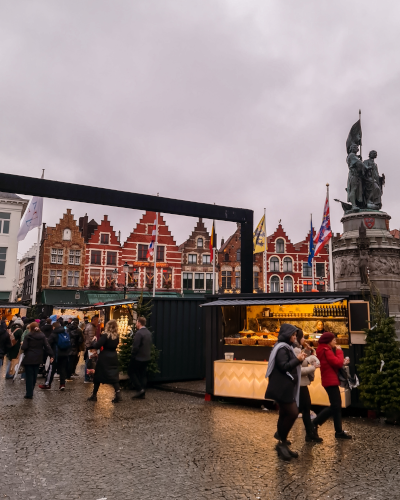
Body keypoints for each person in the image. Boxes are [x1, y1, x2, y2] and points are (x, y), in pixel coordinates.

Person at [265, 324, 307, 461]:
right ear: (287, 335)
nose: (295, 337)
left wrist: (297, 359)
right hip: (282, 387)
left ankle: (283, 444)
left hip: (285, 387)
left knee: (284, 413)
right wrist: (298, 360)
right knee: (293, 412)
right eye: (293, 335)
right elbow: (283, 366)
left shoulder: (284, 347)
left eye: (296, 335)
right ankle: (281, 443)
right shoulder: (282, 349)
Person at [312, 332, 352, 440]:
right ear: (329, 341)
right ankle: (315, 423)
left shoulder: (324, 349)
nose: (336, 341)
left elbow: (334, 363)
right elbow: (337, 363)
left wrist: (341, 361)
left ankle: (338, 431)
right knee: (335, 406)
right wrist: (339, 351)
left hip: (330, 379)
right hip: (330, 380)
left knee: (336, 406)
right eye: (334, 340)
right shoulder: (326, 350)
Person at [293, 330, 322, 443]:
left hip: (302, 383)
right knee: (303, 409)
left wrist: (307, 352)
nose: (304, 339)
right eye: (303, 337)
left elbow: (302, 361)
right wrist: (313, 367)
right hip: (300, 384)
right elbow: (299, 369)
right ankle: (283, 434)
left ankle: (310, 433)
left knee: (305, 409)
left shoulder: (298, 349)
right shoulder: (295, 350)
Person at [87, 320, 121, 403]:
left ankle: (94, 395)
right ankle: (118, 394)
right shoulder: (117, 336)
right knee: (114, 377)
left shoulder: (105, 335)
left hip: (105, 357)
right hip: (113, 356)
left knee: (98, 376)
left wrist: (94, 341)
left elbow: (97, 345)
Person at [21, 323, 54, 399]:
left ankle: (29, 393)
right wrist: (52, 355)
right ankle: (31, 390)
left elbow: (24, 347)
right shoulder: (42, 336)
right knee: (34, 375)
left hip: (29, 358)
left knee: (29, 376)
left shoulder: (28, 336)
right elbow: (47, 346)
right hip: (38, 358)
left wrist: (23, 344)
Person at [39, 321, 70, 391]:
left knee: (51, 369)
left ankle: (47, 384)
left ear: (53, 327)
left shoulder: (54, 334)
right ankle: (62, 384)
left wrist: (50, 354)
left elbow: (48, 344)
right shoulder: (65, 332)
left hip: (55, 355)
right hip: (65, 354)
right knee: (62, 369)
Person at [129, 316, 152, 399]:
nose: (136, 324)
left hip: (138, 357)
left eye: (136, 322)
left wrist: (133, 355)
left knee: (131, 372)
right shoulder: (148, 332)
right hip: (146, 357)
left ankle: (140, 389)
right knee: (143, 374)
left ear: (139, 323)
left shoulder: (139, 333)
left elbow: (135, 346)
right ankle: (142, 392)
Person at [84, 315, 99, 383]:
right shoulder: (91, 327)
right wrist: (96, 345)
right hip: (91, 347)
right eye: (97, 320)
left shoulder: (90, 326)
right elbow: (92, 339)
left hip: (89, 346)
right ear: (94, 320)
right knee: (90, 363)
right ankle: (87, 378)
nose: (98, 322)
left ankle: (88, 377)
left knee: (90, 362)